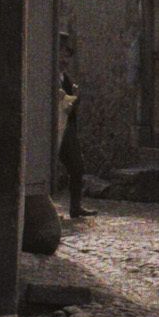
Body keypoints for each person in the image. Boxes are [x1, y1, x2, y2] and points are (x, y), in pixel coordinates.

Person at [56, 32, 93, 220]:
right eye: (62, 55)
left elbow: (68, 107)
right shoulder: (49, 77)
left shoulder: (66, 79)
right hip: (54, 128)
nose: (65, 60)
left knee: (77, 166)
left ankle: (75, 206)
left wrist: (74, 98)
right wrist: (73, 99)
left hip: (67, 128)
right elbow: (62, 106)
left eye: (67, 57)